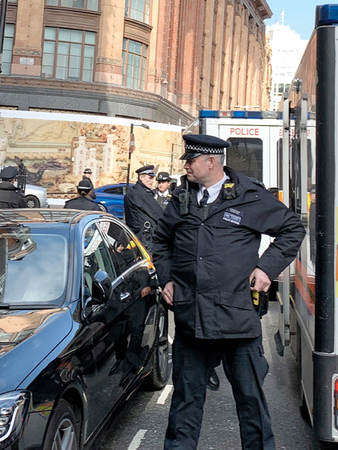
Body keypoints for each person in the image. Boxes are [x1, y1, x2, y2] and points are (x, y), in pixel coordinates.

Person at [153, 134, 306, 450]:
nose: (185, 166)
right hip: (192, 320)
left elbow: (292, 229)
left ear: (211, 162)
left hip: (237, 320)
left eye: (191, 160)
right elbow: (161, 241)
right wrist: (167, 278)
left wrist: (266, 269)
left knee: (251, 403)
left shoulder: (249, 196)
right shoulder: (182, 199)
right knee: (184, 404)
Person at [123, 165, 163, 254]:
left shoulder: (134, 192)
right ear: (141, 177)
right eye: (150, 178)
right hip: (145, 238)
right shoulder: (141, 194)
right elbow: (159, 215)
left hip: (138, 236)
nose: (152, 181)